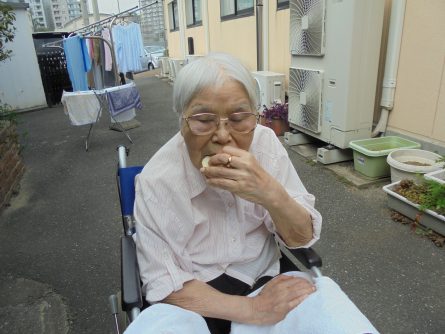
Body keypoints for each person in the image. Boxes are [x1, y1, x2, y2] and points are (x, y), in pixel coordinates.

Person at [125, 53, 377, 334]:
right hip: (190, 301)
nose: (222, 135)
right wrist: (252, 310)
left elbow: (302, 237)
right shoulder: (157, 180)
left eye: (238, 118)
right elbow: (161, 279)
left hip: (266, 278)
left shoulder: (265, 144)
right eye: (204, 119)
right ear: (181, 121)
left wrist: (268, 192)